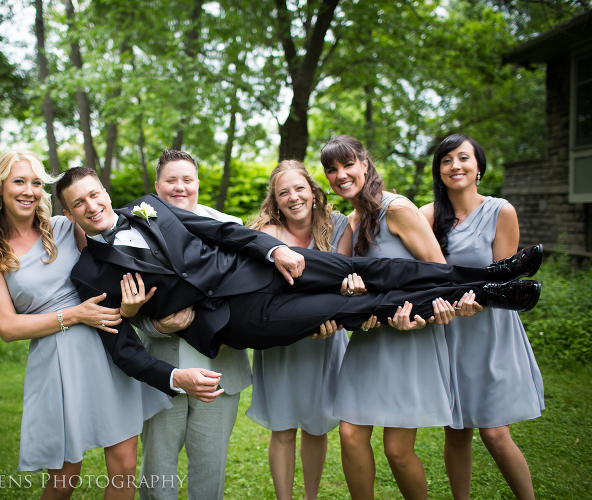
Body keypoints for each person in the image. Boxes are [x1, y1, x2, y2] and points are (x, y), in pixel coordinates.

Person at [57, 165, 541, 398]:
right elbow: (121, 348)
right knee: (353, 307)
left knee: (374, 271)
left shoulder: (151, 206)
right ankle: (491, 296)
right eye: (80, 203)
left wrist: (276, 248)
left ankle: (490, 277)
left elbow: (226, 232)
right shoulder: (89, 275)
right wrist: (171, 376)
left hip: (267, 269)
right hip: (238, 319)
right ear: (70, 212)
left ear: (104, 191)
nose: (93, 206)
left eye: (95, 194)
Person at [0, 151, 174, 500]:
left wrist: (128, 309)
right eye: (19, 181)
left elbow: (106, 281)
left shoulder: (66, 227)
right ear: (0, 188)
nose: (29, 190)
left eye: (36, 183)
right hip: (57, 362)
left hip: (108, 346)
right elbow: (6, 327)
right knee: (65, 476)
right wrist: (75, 315)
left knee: (125, 466)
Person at [324, 134, 472, 500]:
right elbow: (339, 282)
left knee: (397, 450)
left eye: (347, 165)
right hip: (370, 335)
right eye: (331, 169)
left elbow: (438, 274)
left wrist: (419, 316)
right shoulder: (348, 222)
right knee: (350, 434)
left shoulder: (397, 209)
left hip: (411, 336)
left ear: (364, 163)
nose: (341, 175)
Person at [420, 134, 544, 500]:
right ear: (438, 170)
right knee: (455, 430)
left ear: (478, 167)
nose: (455, 166)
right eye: (446, 160)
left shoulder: (500, 210)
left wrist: (482, 300)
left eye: (463, 158)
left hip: (490, 327)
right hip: (450, 331)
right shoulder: (428, 216)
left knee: (494, 433)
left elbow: (500, 276)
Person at [134, 149, 252, 500]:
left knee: (209, 471)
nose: (180, 187)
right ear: (157, 187)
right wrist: (158, 327)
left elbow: (246, 297)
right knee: (157, 473)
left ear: (198, 183)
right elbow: (129, 303)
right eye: (171, 181)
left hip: (220, 372)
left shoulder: (228, 226)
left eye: (187, 180)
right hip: (161, 371)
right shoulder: (137, 231)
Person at [246, 160, 354, 500]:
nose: (293, 197)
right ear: (275, 201)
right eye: (283, 192)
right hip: (281, 342)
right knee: (282, 428)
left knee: (316, 426)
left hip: (325, 338)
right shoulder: (266, 233)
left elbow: (346, 282)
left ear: (313, 191)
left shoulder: (339, 226)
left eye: (299, 188)